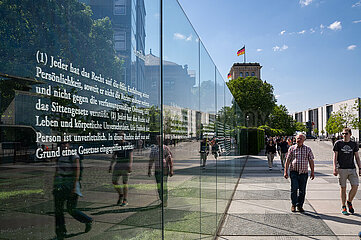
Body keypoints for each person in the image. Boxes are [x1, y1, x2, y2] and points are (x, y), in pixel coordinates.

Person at [53, 142, 92, 240]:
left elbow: (77, 172)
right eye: (61, 144)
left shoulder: (73, 156)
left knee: (71, 209)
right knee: (58, 210)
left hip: (70, 184)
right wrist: (55, 184)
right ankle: (61, 234)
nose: (63, 146)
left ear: (69, 145)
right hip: (60, 184)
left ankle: (87, 220)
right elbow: (57, 171)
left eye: (65, 144)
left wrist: (74, 187)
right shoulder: (59, 156)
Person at [333, 127, 361, 215]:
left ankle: (349, 201)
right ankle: (343, 206)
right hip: (341, 169)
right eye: (343, 134)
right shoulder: (338, 143)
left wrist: (360, 168)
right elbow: (335, 156)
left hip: (352, 168)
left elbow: (357, 157)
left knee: (355, 185)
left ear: (350, 134)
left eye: (346, 133)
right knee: (343, 188)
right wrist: (334, 167)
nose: (344, 135)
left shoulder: (354, 144)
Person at [284, 133, 315, 213]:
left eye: (300, 138)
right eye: (297, 138)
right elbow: (287, 161)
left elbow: (311, 161)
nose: (299, 140)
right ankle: (293, 204)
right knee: (294, 188)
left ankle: (300, 205)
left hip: (303, 173)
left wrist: (312, 172)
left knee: (302, 190)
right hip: (294, 172)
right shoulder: (292, 148)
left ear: (304, 140)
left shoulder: (308, 149)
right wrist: (285, 171)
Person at [148, 135, 174, 207]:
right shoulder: (154, 149)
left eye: (160, 139)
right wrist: (149, 169)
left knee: (164, 185)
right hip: (157, 170)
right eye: (158, 139)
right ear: (156, 140)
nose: (159, 140)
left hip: (164, 169)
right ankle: (162, 200)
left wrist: (171, 169)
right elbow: (151, 160)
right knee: (159, 186)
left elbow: (170, 159)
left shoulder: (166, 148)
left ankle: (165, 201)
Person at [109, 133, 134, 206]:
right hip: (118, 164)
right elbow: (114, 156)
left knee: (124, 182)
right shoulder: (117, 145)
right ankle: (121, 194)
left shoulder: (128, 144)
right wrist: (111, 165)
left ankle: (125, 199)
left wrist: (130, 165)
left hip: (125, 164)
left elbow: (131, 155)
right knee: (114, 181)